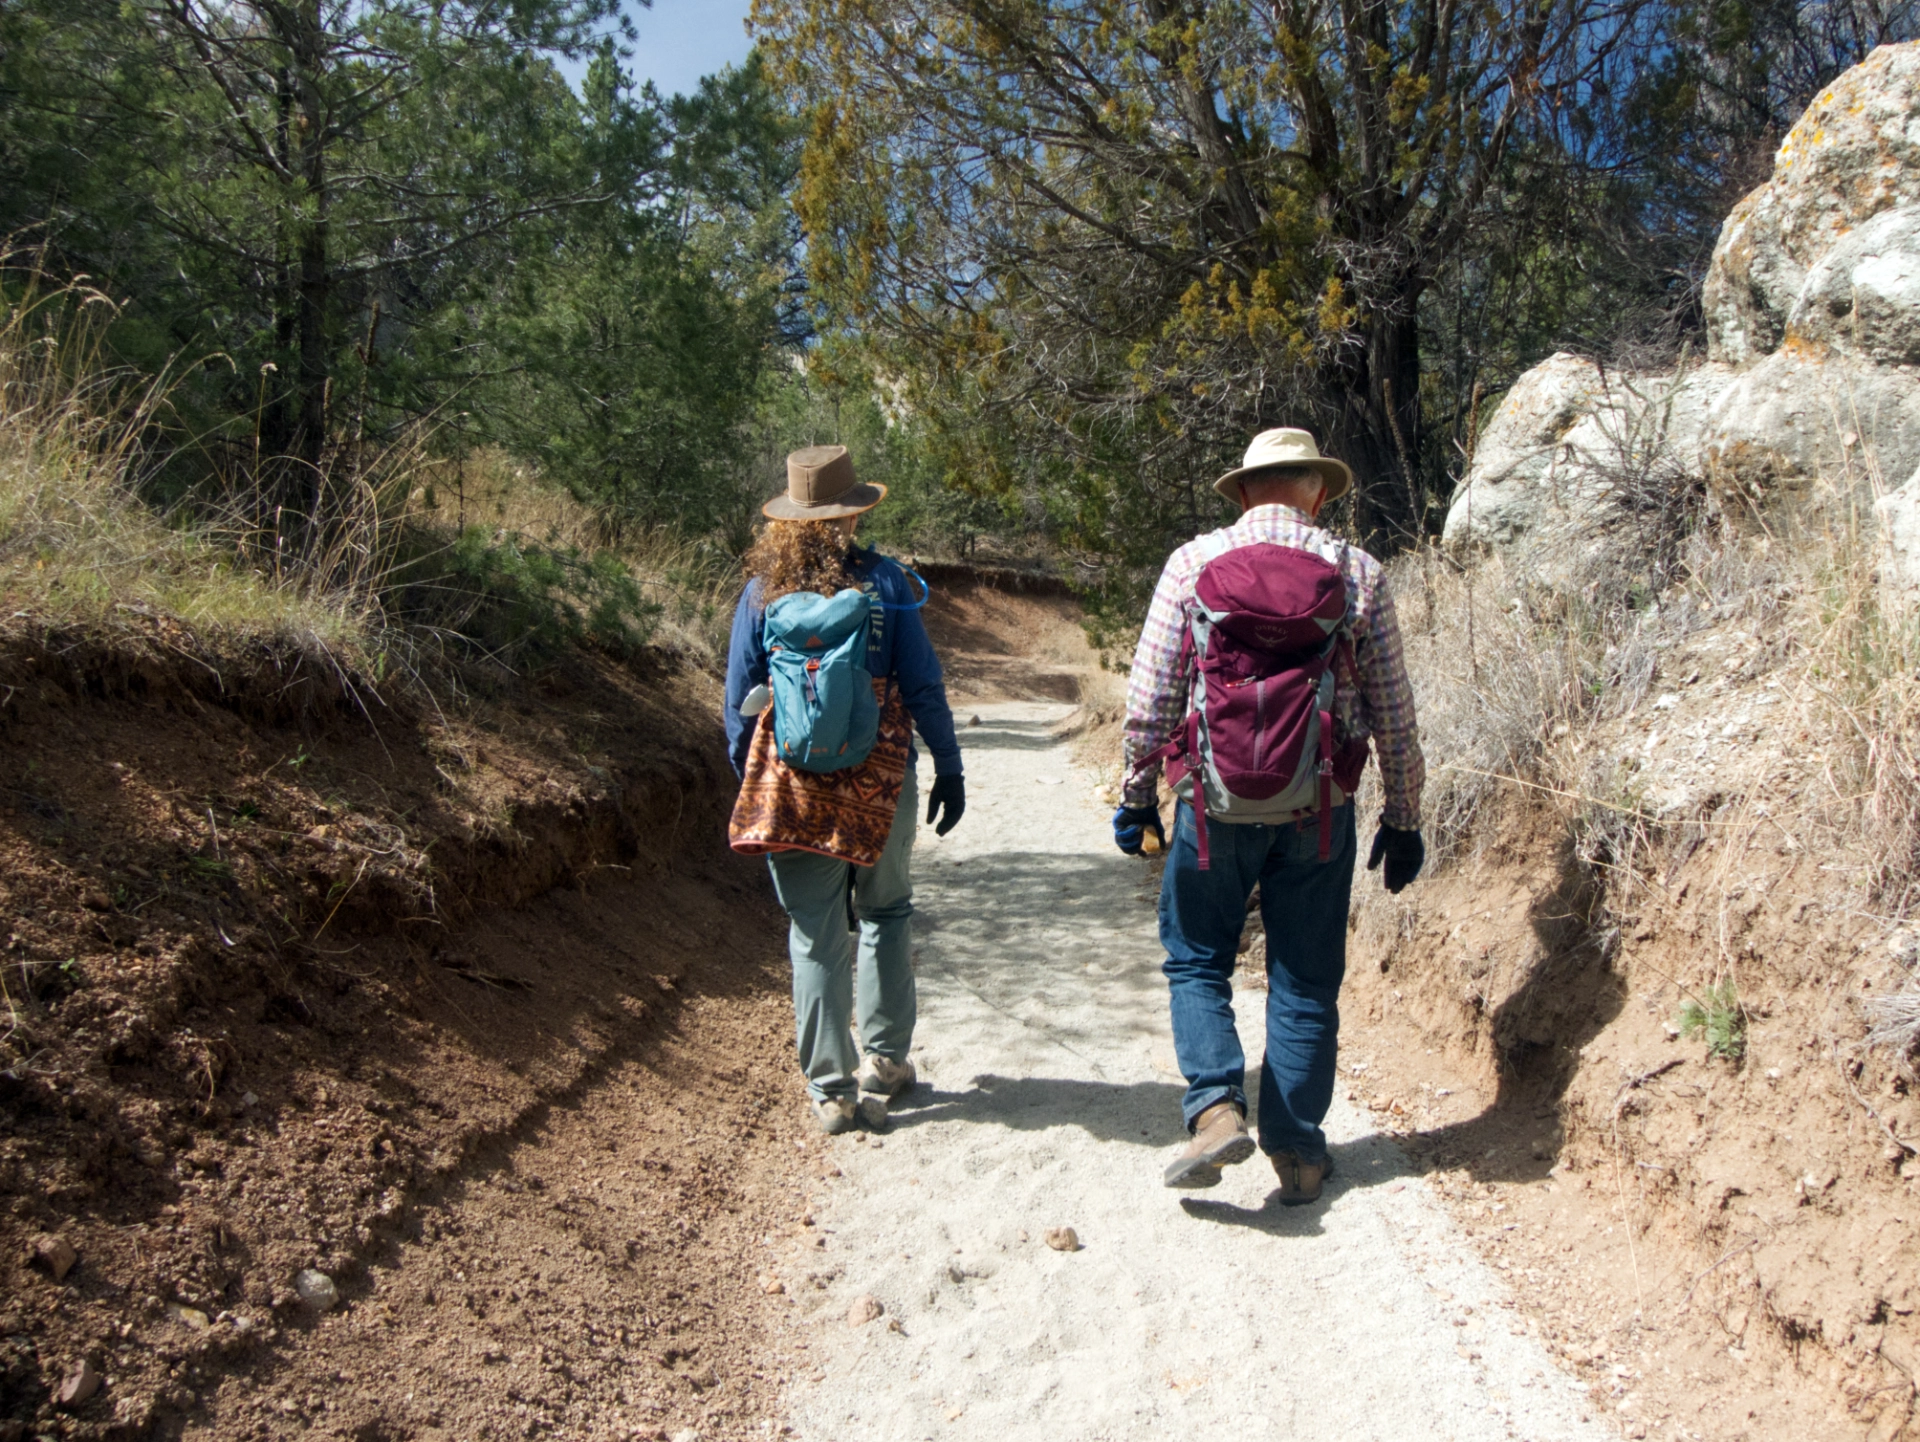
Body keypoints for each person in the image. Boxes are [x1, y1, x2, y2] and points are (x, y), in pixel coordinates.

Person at [1114, 428, 1427, 1203]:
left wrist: (1135, 795)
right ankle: (1299, 1153)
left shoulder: (1192, 566)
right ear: (1316, 493)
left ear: (1245, 493)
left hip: (1213, 807)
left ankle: (1216, 1111)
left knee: (1195, 956)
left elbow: (1151, 698)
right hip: (1321, 808)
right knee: (1306, 976)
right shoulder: (1359, 573)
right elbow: (1394, 711)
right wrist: (1405, 815)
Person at [725, 445, 966, 1135]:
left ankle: (831, 1091)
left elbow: (737, 699)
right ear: (855, 513)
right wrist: (947, 763)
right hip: (881, 780)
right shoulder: (887, 584)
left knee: (814, 936)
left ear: (787, 520)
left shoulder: (761, 593)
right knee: (887, 914)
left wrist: (752, 779)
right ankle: (886, 1063)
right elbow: (922, 683)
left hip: (794, 787)